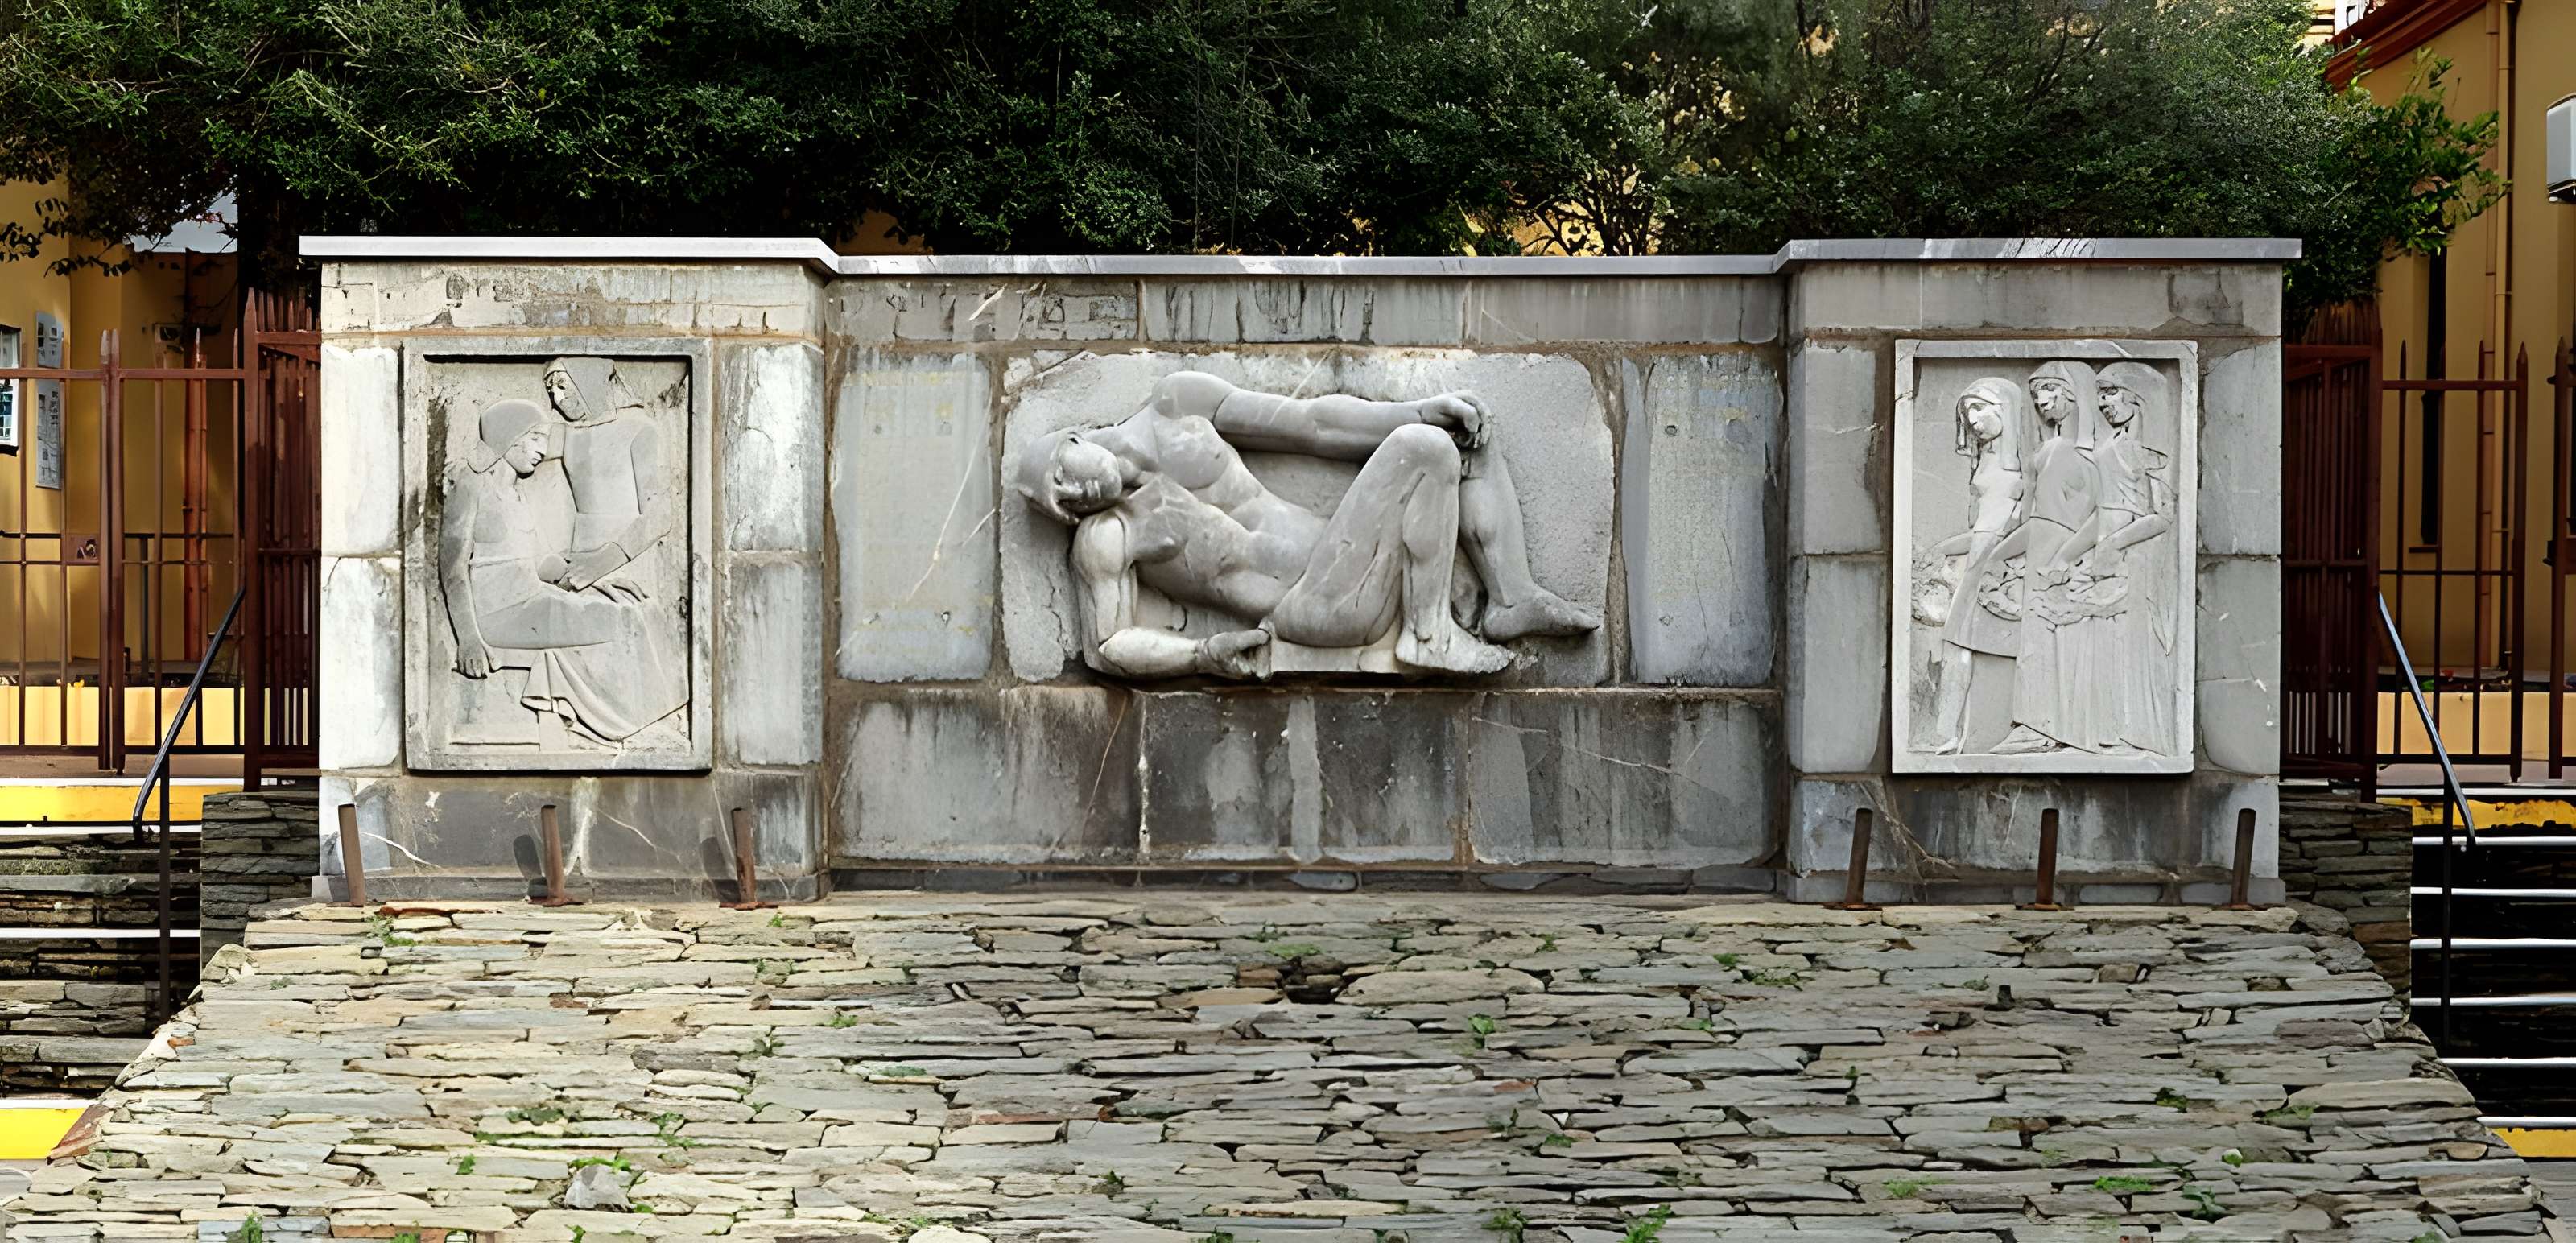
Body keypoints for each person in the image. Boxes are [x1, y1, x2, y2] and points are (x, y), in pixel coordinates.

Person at [1013, 370, 1598, 679]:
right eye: (1065, 505)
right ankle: (1428, 638)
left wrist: (1419, 409)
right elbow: (1108, 646)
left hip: (1352, 558)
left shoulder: (1175, 404)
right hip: (1310, 609)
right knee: (1424, 449)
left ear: (1075, 440)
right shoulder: (1109, 537)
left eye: (1065, 476)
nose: (1078, 496)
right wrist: (1203, 654)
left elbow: (1311, 424)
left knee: (1462, 432)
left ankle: (1512, 597)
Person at [438, 398, 685, 745]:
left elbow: (543, 562)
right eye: (535, 438)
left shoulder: (516, 492)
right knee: (624, 623)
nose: (543, 450)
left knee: (637, 610)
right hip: (501, 614)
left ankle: (656, 724)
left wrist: (591, 581)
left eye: (544, 439)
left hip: (533, 600)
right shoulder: (470, 484)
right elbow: (452, 568)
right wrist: (469, 640)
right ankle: (624, 729)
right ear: (509, 436)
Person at [1982, 360, 2105, 755]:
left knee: (2056, 642)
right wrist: (2003, 553)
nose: (2041, 400)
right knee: (2039, 642)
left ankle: (2047, 728)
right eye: (2036, 394)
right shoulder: (2051, 450)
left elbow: (2097, 517)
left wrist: (2064, 558)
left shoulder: (2085, 452)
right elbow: (2040, 517)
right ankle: (2038, 725)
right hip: (2048, 552)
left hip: (2062, 558)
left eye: (2049, 389)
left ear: (2073, 392)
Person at [2060, 360, 2178, 754]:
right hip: (2104, 557)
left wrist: (2113, 545)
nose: (2103, 404)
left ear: (2137, 397)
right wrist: (2068, 555)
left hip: (2136, 559)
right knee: (2099, 647)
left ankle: (2138, 734)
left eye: (2110, 393)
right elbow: (2102, 510)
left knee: (2130, 645)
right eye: (2100, 396)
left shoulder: (2151, 451)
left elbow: (2162, 515)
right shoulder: (2110, 443)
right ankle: (2105, 732)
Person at [1919, 377, 2033, 753]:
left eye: (1979, 408)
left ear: (2005, 409)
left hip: (2005, 565)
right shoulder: (1984, 461)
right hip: (1981, 559)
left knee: (1983, 649)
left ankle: (1973, 735)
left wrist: (2000, 557)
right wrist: (1940, 549)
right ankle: (1952, 734)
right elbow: (1980, 529)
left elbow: (2032, 522)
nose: (1972, 420)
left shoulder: (2030, 462)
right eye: (1967, 412)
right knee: (1957, 645)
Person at [544, 357, 666, 603]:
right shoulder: (569, 433)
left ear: (589, 379)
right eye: (551, 390)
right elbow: (515, 443)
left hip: (626, 558)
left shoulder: (639, 429)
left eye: (562, 386)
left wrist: (599, 565)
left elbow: (659, 516)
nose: (557, 398)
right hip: (577, 559)